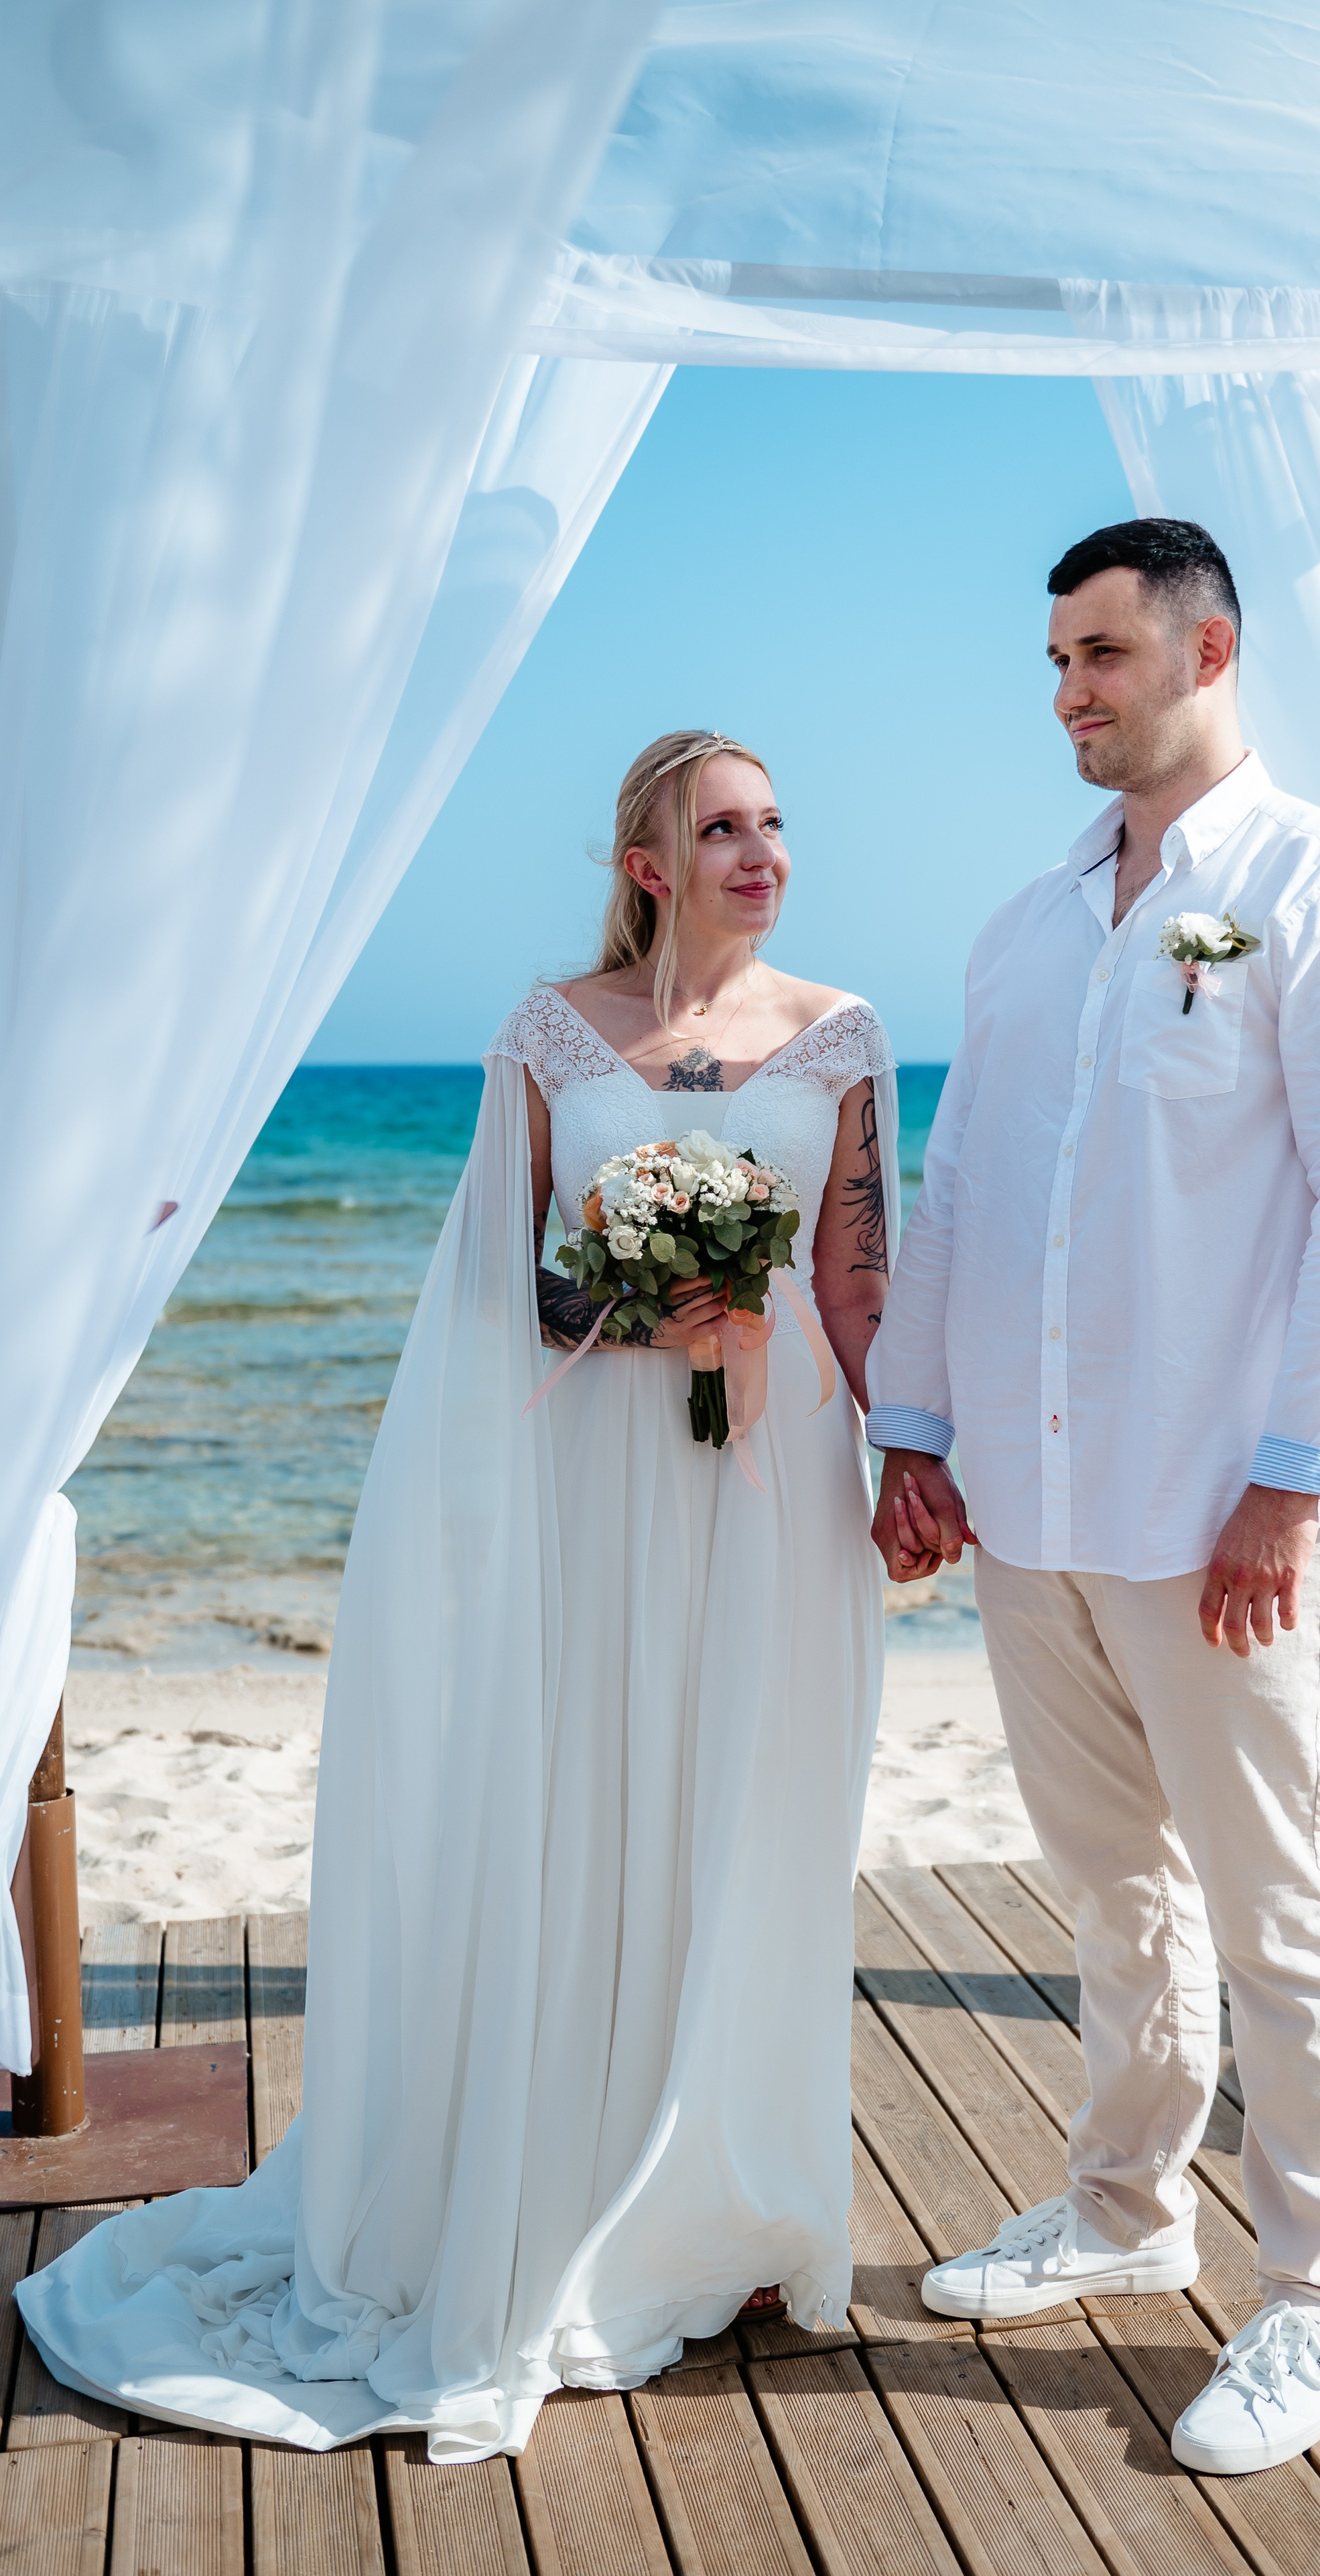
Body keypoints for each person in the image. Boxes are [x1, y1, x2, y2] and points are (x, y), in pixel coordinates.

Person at [19, 732, 899, 2460]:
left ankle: (724, 2203)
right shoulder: (550, 1036)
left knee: (753, 1810)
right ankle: (567, 2185)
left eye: (777, 823)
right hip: (595, 1494)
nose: (762, 851)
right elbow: (511, 1287)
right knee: (590, 1805)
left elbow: (863, 1277)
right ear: (648, 860)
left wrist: (921, 1460)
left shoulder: (845, 1035)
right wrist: (649, 1311)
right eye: (722, 827)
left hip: (777, 1486)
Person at [867, 521, 1320, 2476]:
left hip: (1230, 1525)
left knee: (1287, 1917)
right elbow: (962, 1192)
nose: (1070, 693)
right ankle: (1128, 2212)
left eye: (1104, 655)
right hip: (1035, 1518)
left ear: (1213, 646)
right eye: (1056, 660)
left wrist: (1296, 1480)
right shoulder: (1032, 926)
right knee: (1116, 1897)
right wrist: (920, 1427)